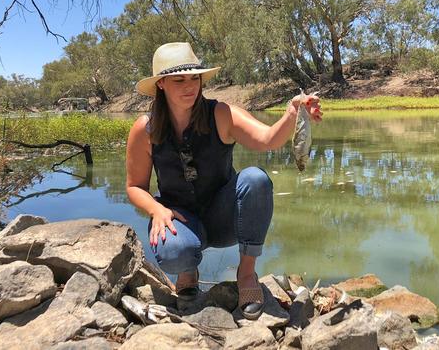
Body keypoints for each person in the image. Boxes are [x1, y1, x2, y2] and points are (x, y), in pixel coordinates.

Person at [125, 42, 322, 320]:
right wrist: (157, 210)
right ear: (161, 84)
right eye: (179, 79)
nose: (189, 86)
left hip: (224, 217)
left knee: (256, 179)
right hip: (179, 218)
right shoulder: (144, 129)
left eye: (195, 77)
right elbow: (135, 187)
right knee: (177, 251)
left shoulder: (221, 114)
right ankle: (187, 272)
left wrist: (293, 112)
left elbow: (268, 140)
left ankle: (246, 274)